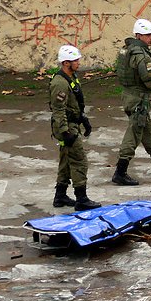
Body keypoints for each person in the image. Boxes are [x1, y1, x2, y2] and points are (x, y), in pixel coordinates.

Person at [112, 18, 151, 185]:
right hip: (138, 100)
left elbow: (138, 75)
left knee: (147, 129)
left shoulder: (128, 50)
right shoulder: (141, 55)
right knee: (134, 133)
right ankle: (120, 171)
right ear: (138, 35)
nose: (150, 38)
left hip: (130, 96)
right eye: (147, 35)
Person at [49, 44, 102, 211]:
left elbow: (73, 103)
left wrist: (83, 119)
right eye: (75, 60)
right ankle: (81, 199)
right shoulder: (60, 83)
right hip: (66, 127)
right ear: (66, 63)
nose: (78, 63)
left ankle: (60, 196)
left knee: (66, 160)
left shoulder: (71, 77)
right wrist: (65, 132)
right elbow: (58, 110)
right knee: (79, 160)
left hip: (72, 123)